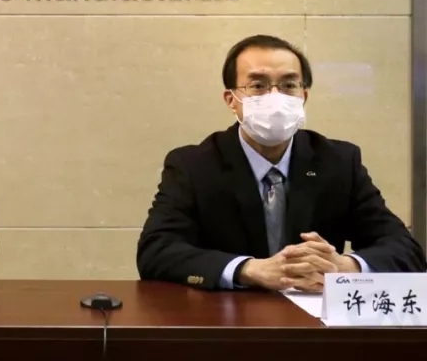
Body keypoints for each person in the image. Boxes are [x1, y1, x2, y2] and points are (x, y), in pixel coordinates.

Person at [137, 34, 425, 291]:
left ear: (304, 96)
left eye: (289, 85)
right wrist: (248, 269)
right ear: (231, 99)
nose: (275, 97)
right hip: (226, 321)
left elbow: (404, 249)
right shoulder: (193, 165)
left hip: (315, 320)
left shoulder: (338, 161)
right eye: (258, 85)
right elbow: (156, 251)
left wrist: (344, 267)